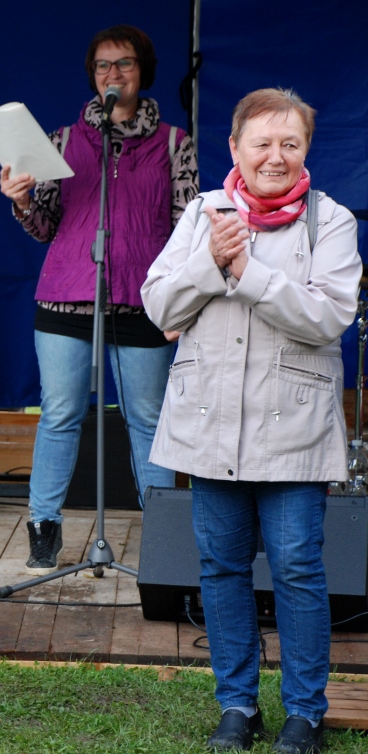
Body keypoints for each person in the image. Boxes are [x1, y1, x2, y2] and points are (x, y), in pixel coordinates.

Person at [143, 88, 359, 754]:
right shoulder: (204, 212)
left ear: (306, 149)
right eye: (261, 143)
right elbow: (158, 304)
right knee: (221, 567)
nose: (275, 156)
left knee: (296, 568)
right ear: (234, 147)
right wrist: (211, 262)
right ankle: (237, 706)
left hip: (293, 431)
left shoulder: (331, 220)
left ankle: (304, 713)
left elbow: (329, 317)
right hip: (210, 425)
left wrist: (249, 271)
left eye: (290, 143)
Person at [0, 24, 199, 574]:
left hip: (142, 302)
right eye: (103, 65)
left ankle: (163, 538)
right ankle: (44, 529)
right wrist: (22, 201)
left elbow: (188, 229)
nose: (113, 74)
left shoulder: (175, 143)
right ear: (92, 75)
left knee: (147, 420)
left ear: (143, 71)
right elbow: (45, 226)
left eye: (124, 63)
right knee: (59, 415)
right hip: (66, 298)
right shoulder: (62, 141)